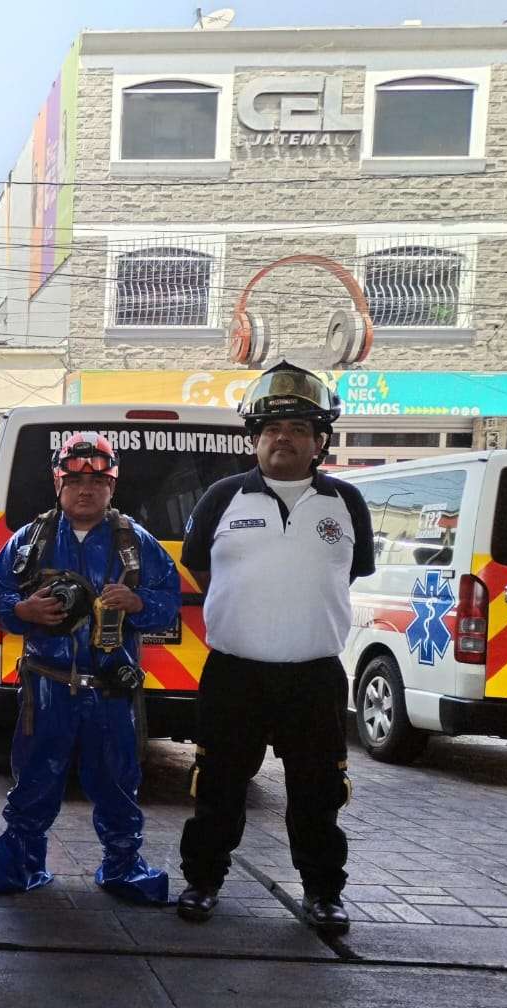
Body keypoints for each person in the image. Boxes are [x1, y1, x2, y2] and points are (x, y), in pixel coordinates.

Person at [176, 361, 373, 935]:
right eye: (271, 429)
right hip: (234, 675)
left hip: (314, 677)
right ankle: (203, 882)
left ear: (319, 441)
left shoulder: (347, 502)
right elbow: (201, 569)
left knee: (318, 792)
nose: (282, 438)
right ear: (254, 439)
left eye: (298, 429)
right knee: (218, 786)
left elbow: (348, 573)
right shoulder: (221, 497)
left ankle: (323, 894)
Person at [0, 432, 179, 901]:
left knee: (117, 782)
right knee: (35, 779)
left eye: (97, 481)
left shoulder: (136, 542)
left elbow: (169, 603)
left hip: (111, 691)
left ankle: (123, 868)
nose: (85, 490)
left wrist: (138, 602)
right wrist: (22, 610)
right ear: (58, 484)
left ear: (112, 486)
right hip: (46, 689)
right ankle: (20, 865)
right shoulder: (30, 540)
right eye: (74, 481)